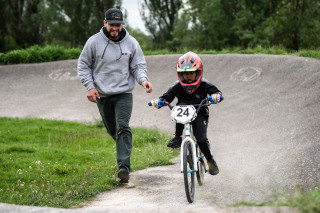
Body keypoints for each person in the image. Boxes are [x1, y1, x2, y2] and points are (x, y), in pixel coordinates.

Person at [77, 8, 152, 183]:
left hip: (124, 93)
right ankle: (123, 153)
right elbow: (83, 65)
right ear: (105, 23)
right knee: (113, 130)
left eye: (118, 25)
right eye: (112, 25)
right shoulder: (93, 42)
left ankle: (124, 168)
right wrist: (90, 86)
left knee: (123, 127)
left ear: (122, 25)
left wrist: (143, 80)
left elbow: (138, 65)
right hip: (102, 95)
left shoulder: (131, 43)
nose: (115, 29)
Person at [150, 52, 223, 175]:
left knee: (201, 139)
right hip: (183, 113)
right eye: (185, 73)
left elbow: (218, 93)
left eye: (191, 73)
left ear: (198, 72)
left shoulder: (204, 84)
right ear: (180, 74)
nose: (188, 76)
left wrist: (215, 97)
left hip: (200, 112)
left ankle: (210, 160)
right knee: (178, 108)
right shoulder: (177, 86)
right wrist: (159, 102)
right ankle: (178, 137)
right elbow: (166, 97)